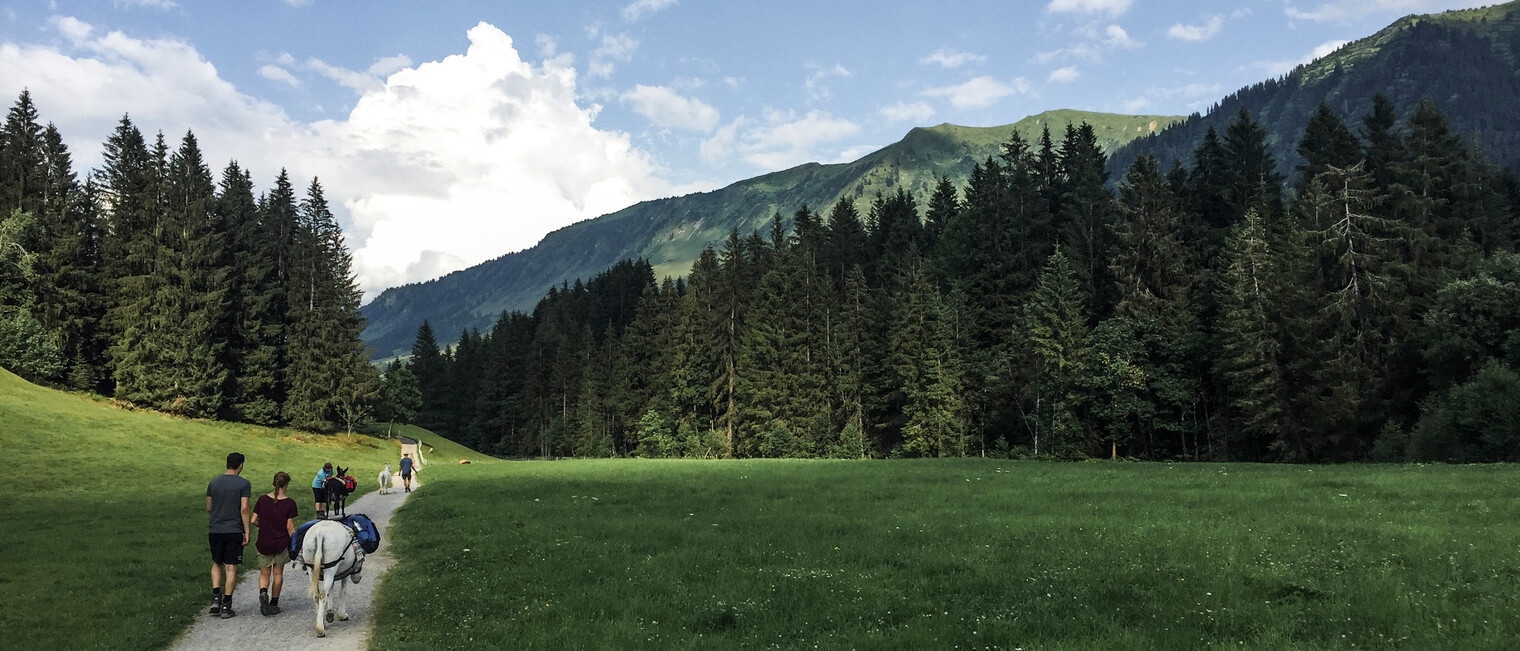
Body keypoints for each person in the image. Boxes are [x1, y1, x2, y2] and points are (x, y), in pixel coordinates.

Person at [206, 452, 251, 619]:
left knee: (216, 562)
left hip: (215, 529)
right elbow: (244, 509)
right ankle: (226, 605)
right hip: (234, 529)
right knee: (231, 567)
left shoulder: (214, 482)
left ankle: (215, 599)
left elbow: (209, 507)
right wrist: (246, 531)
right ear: (240, 465)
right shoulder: (244, 484)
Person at [251, 471, 298, 616]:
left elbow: (253, 520)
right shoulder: (289, 503)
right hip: (281, 543)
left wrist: (263, 526)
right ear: (286, 485)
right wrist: (296, 541)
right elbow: (289, 527)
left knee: (264, 573)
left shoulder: (262, 500)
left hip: (264, 541)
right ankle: (274, 603)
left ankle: (263, 592)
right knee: (278, 573)